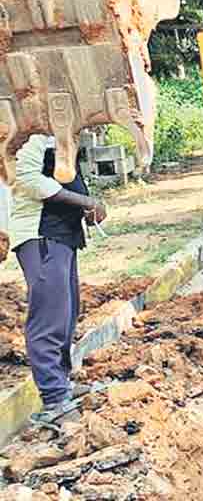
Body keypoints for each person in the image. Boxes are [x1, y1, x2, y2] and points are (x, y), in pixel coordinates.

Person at [8, 135, 107, 428]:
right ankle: (54, 398)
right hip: (41, 236)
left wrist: (86, 210)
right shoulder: (31, 131)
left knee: (66, 315)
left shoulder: (61, 133)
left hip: (62, 237)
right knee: (48, 319)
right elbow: (26, 178)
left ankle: (61, 384)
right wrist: (84, 200)